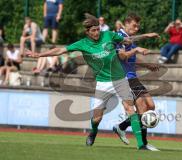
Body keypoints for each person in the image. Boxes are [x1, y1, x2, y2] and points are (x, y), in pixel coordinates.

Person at [27, 13, 150, 150]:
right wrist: (39, 54)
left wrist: (143, 39)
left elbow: (127, 40)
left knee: (130, 109)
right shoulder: (82, 44)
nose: (97, 32)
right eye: (93, 30)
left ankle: (141, 145)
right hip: (103, 83)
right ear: (87, 32)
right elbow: (60, 50)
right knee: (97, 118)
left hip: (120, 79)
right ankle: (94, 132)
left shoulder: (108, 35)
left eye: (98, 29)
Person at [114, 13, 160, 151]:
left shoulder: (129, 39)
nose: (136, 28)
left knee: (151, 106)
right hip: (125, 78)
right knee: (142, 107)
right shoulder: (119, 37)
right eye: (134, 25)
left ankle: (121, 126)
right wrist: (136, 49)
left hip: (133, 77)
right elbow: (122, 56)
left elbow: (132, 59)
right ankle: (143, 144)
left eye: (138, 26)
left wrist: (147, 66)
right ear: (126, 23)